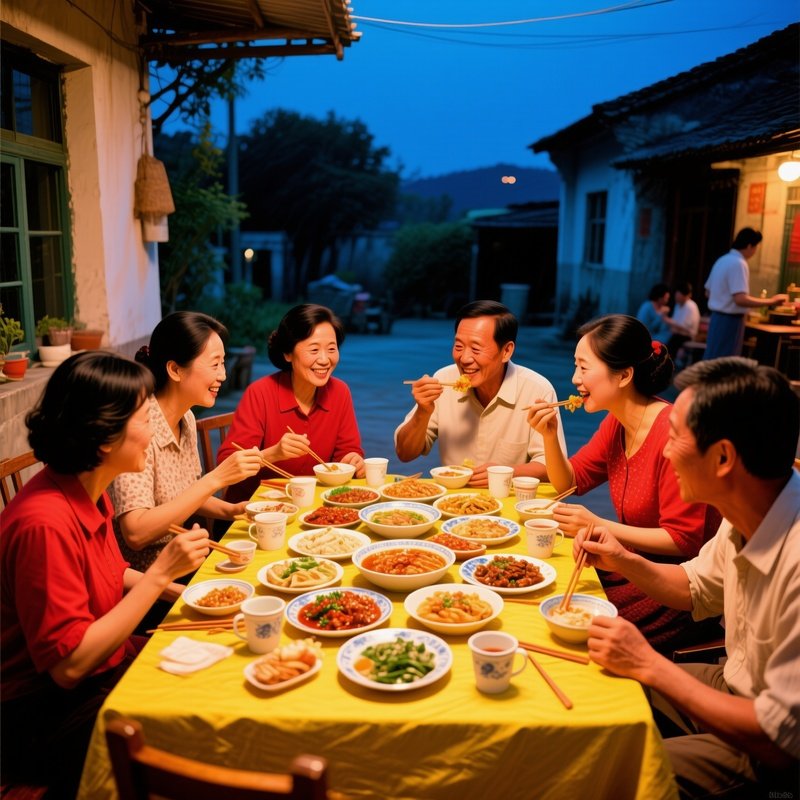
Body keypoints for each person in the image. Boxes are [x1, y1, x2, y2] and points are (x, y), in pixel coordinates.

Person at [575, 357, 799, 798]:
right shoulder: (749, 510)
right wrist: (622, 559)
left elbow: (779, 741)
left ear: (722, 457)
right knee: (596, 683)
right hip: (735, 683)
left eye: (676, 436)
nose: (663, 450)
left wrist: (649, 663)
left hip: (771, 753)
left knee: (611, 770)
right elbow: (693, 588)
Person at [0, 351, 210, 798]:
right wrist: (160, 575)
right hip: (38, 714)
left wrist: (194, 597)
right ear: (103, 437)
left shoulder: (85, 486)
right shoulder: (43, 523)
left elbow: (112, 572)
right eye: (141, 416)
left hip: (98, 670)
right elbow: (68, 667)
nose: (153, 426)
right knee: (200, 723)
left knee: (215, 662)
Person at [526, 315, 721, 653]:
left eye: (584, 368)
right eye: (576, 367)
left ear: (625, 375)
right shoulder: (616, 424)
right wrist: (547, 436)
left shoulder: (671, 433)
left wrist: (601, 526)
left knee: (578, 626)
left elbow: (684, 540)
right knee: (552, 594)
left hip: (679, 585)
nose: (574, 379)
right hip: (635, 563)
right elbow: (570, 481)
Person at [108, 312, 262, 571]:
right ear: (175, 370)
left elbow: (188, 493)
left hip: (187, 562)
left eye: (223, 363)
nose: (223, 375)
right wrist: (216, 479)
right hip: (149, 581)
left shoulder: (186, 418)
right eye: (214, 365)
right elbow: (135, 533)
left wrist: (234, 510)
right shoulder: (138, 425)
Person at [394, 300, 566, 486]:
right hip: (453, 503)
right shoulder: (443, 379)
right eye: (459, 346)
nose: (465, 358)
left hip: (510, 502)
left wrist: (504, 473)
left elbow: (550, 466)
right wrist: (423, 411)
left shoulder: (537, 390)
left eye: (476, 349)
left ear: (506, 351)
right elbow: (405, 453)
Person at [218, 304, 365, 503]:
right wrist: (273, 454)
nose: (324, 359)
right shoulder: (260, 393)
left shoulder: (339, 392)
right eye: (314, 349)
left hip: (314, 504)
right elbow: (227, 462)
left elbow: (348, 452)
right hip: (254, 510)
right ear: (288, 353)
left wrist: (353, 461)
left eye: (332, 349)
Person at [704, 228, 787, 359]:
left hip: (716, 318)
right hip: (730, 320)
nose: (754, 252)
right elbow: (740, 299)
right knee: (726, 363)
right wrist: (772, 301)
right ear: (749, 246)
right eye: (755, 248)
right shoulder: (739, 263)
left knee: (713, 360)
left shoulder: (722, 260)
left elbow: (708, 292)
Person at [664, 281, 701, 360]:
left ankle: (668, 362)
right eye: (676, 294)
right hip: (678, 334)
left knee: (672, 343)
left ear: (685, 295)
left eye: (678, 294)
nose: (676, 296)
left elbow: (685, 328)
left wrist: (669, 321)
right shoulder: (678, 305)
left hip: (687, 335)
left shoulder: (691, 306)